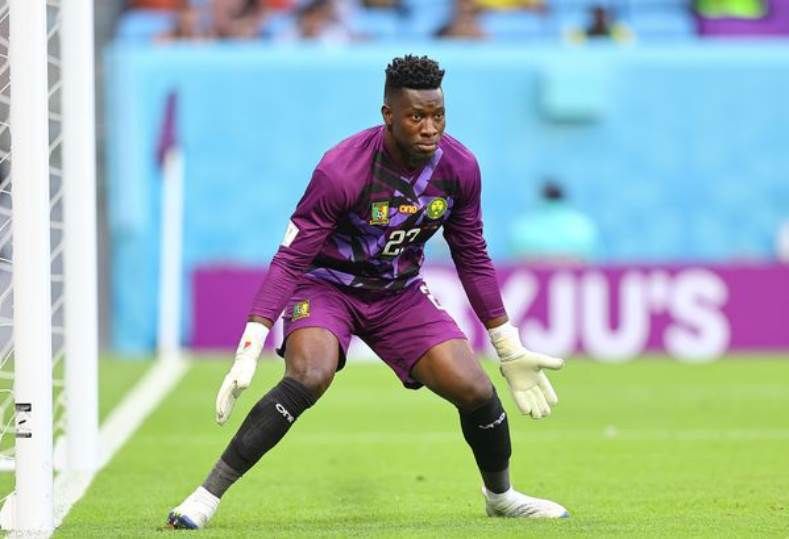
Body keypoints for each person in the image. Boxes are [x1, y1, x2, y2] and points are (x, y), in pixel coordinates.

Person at [167, 55, 568, 529]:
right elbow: (291, 259)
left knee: (476, 389)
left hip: (398, 293)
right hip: (328, 287)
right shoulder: (342, 170)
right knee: (310, 375)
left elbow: (472, 255)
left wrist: (507, 344)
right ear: (388, 115)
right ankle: (205, 497)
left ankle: (500, 497)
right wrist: (250, 347)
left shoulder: (459, 168)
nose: (430, 128)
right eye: (416, 116)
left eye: (438, 115)